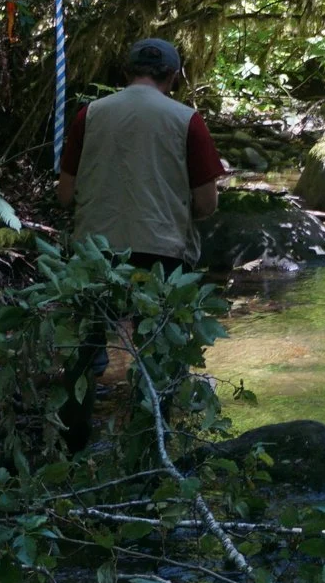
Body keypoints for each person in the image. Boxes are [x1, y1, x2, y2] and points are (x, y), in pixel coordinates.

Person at [55, 37, 223, 451]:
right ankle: (151, 453)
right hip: (162, 252)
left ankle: (71, 448)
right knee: (159, 358)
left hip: (95, 253)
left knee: (82, 356)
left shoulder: (88, 114)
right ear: (174, 76)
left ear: (126, 72)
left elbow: (64, 194)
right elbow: (207, 203)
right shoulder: (188, 120)